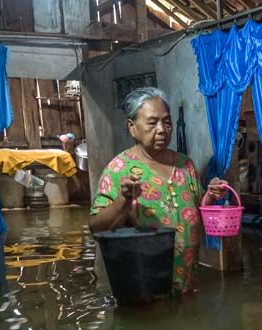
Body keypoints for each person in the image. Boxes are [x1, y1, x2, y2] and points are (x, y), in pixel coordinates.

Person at [90, 87, 227, 294]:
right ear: (132, 127)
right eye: (152, 122)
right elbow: (96, 228)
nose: (162, 129)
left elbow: (197, 211)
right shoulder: (118, 169)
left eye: (167, 121)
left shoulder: (184, 165)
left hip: (187, 279)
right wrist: (123, 201)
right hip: (145, 283)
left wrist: (211, 195)